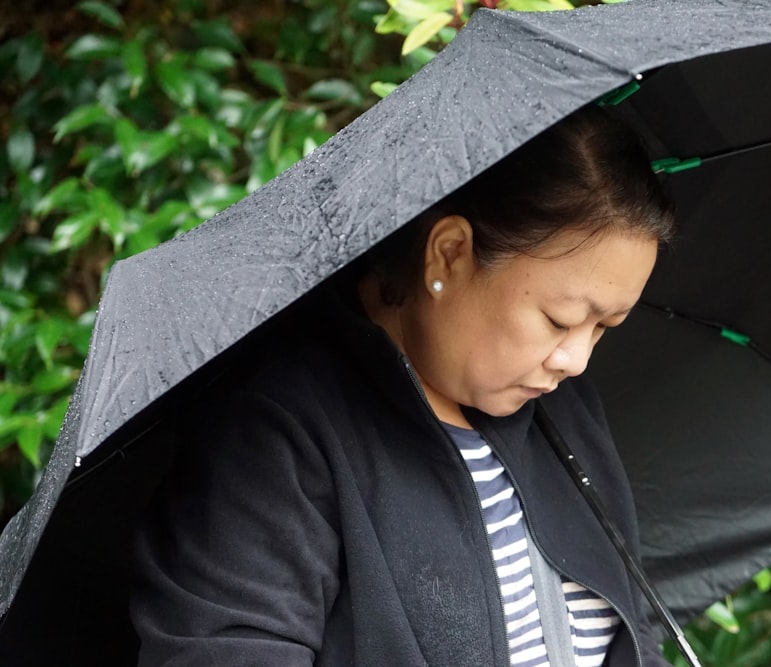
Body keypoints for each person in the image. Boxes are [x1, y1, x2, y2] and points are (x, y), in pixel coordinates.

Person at [129, 104, 677, 666]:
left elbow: (631, 633)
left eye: (604, 327)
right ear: (449, 253)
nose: (577, 360)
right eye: (560, 320)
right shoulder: (277, 432)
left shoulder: (564, 412)